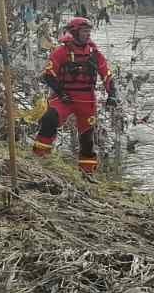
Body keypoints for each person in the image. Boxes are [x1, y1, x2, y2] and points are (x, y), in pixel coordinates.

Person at [32, 17, 116, 176]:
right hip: (64, 97)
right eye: (84, 31)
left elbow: (107, 75)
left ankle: (87, 173)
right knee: (49, 118)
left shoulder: (94, 54)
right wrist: (61, 93)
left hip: (87, 100)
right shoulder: (61, 52)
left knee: (87, 139)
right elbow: (49, 75)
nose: (87, 34)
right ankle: (40, 159)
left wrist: (112, 95)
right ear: (75, 32)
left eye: (88, 31)